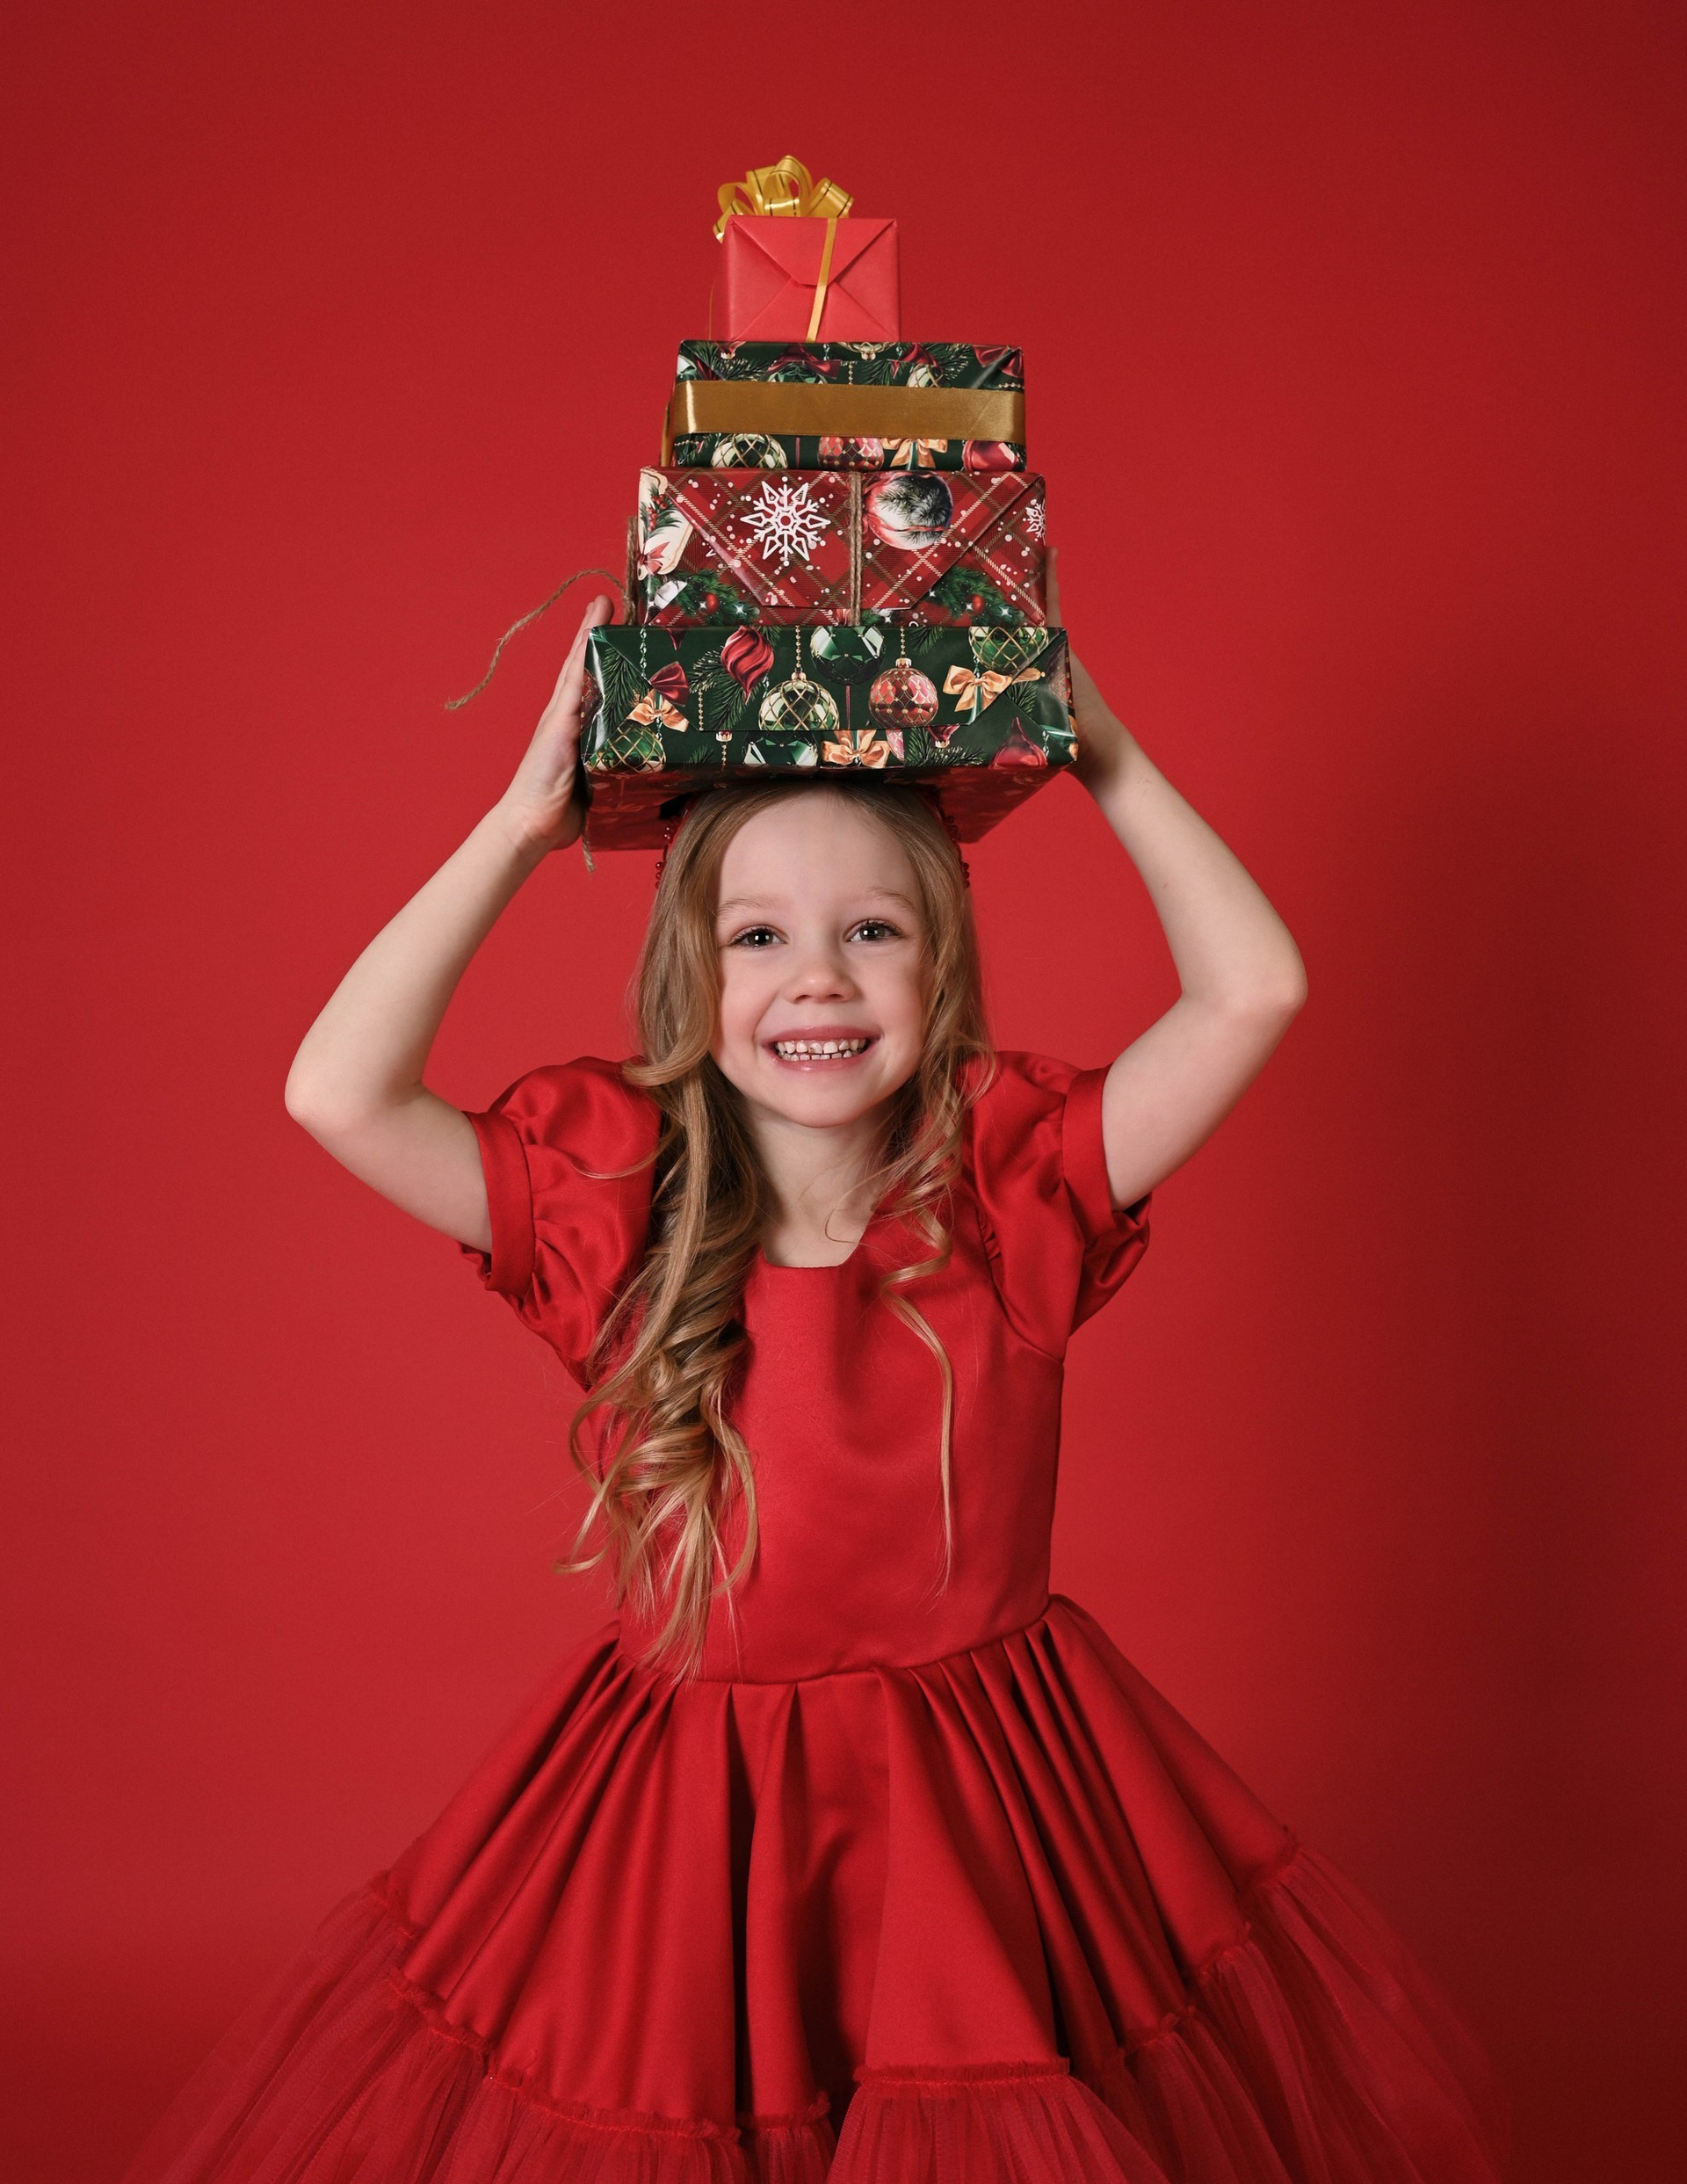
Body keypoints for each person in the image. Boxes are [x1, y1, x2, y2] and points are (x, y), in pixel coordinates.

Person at [122, 556, 1510, 2183]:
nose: (820, 978)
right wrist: (518, 826)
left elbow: (1254, 987)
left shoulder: (1010, 1186)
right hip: (694, 1819)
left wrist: (1101, 748)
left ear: (943, 961)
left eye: (873, 930)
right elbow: (335, 1091)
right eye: (759, 935)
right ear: (691, 970)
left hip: (991, 1809)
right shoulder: (614, 1202)